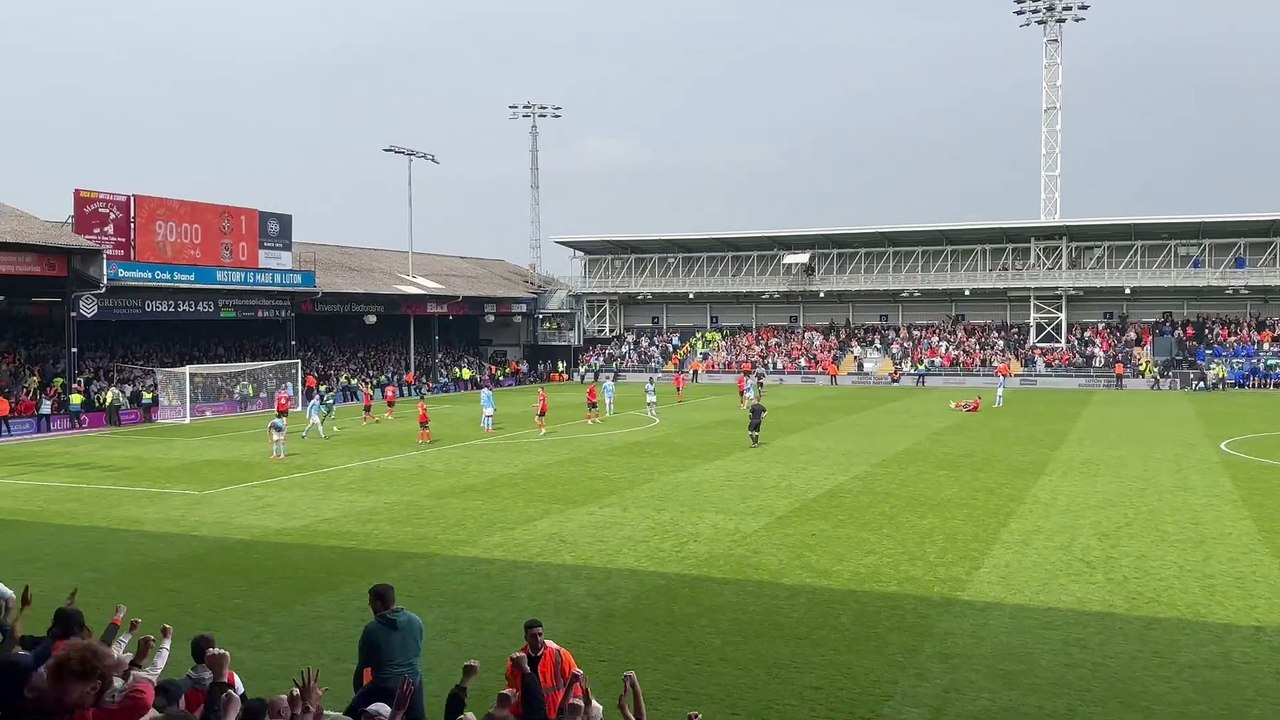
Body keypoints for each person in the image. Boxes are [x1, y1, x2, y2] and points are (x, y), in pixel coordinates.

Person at [345, 584, 425, 720]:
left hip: (383, 686)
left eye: (370, 602)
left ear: (378, 603)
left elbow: (364, 668)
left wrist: (360, 692)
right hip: (413, 684)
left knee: (349, 716)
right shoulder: (415, 621)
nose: (369, 605)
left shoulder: (372, 629)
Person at [504, 620, 580, 720]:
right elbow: (512, 688)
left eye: (540, 634)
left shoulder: (560, 654)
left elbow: (575, 685)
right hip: (529, 713)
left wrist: (576, 711)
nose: (538, 639)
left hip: (555, 712)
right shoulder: (516, 661)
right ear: (526, 638)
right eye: (533, 636)